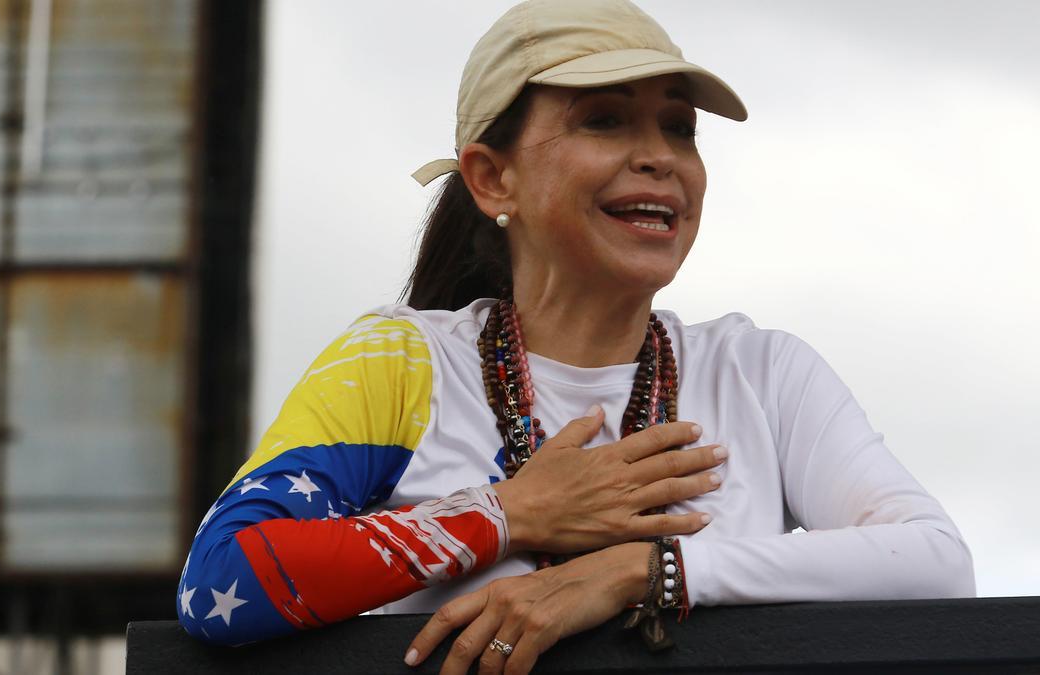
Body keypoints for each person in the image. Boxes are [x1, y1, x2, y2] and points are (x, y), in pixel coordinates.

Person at [177, 0, 975, 672]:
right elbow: (220, 581)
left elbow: (938, 565)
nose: (660, 158)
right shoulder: (402, 361)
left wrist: (647, 569)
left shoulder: (763, 371)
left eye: (679, 128)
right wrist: (508, 515)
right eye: (605, 120)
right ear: (493, 177)